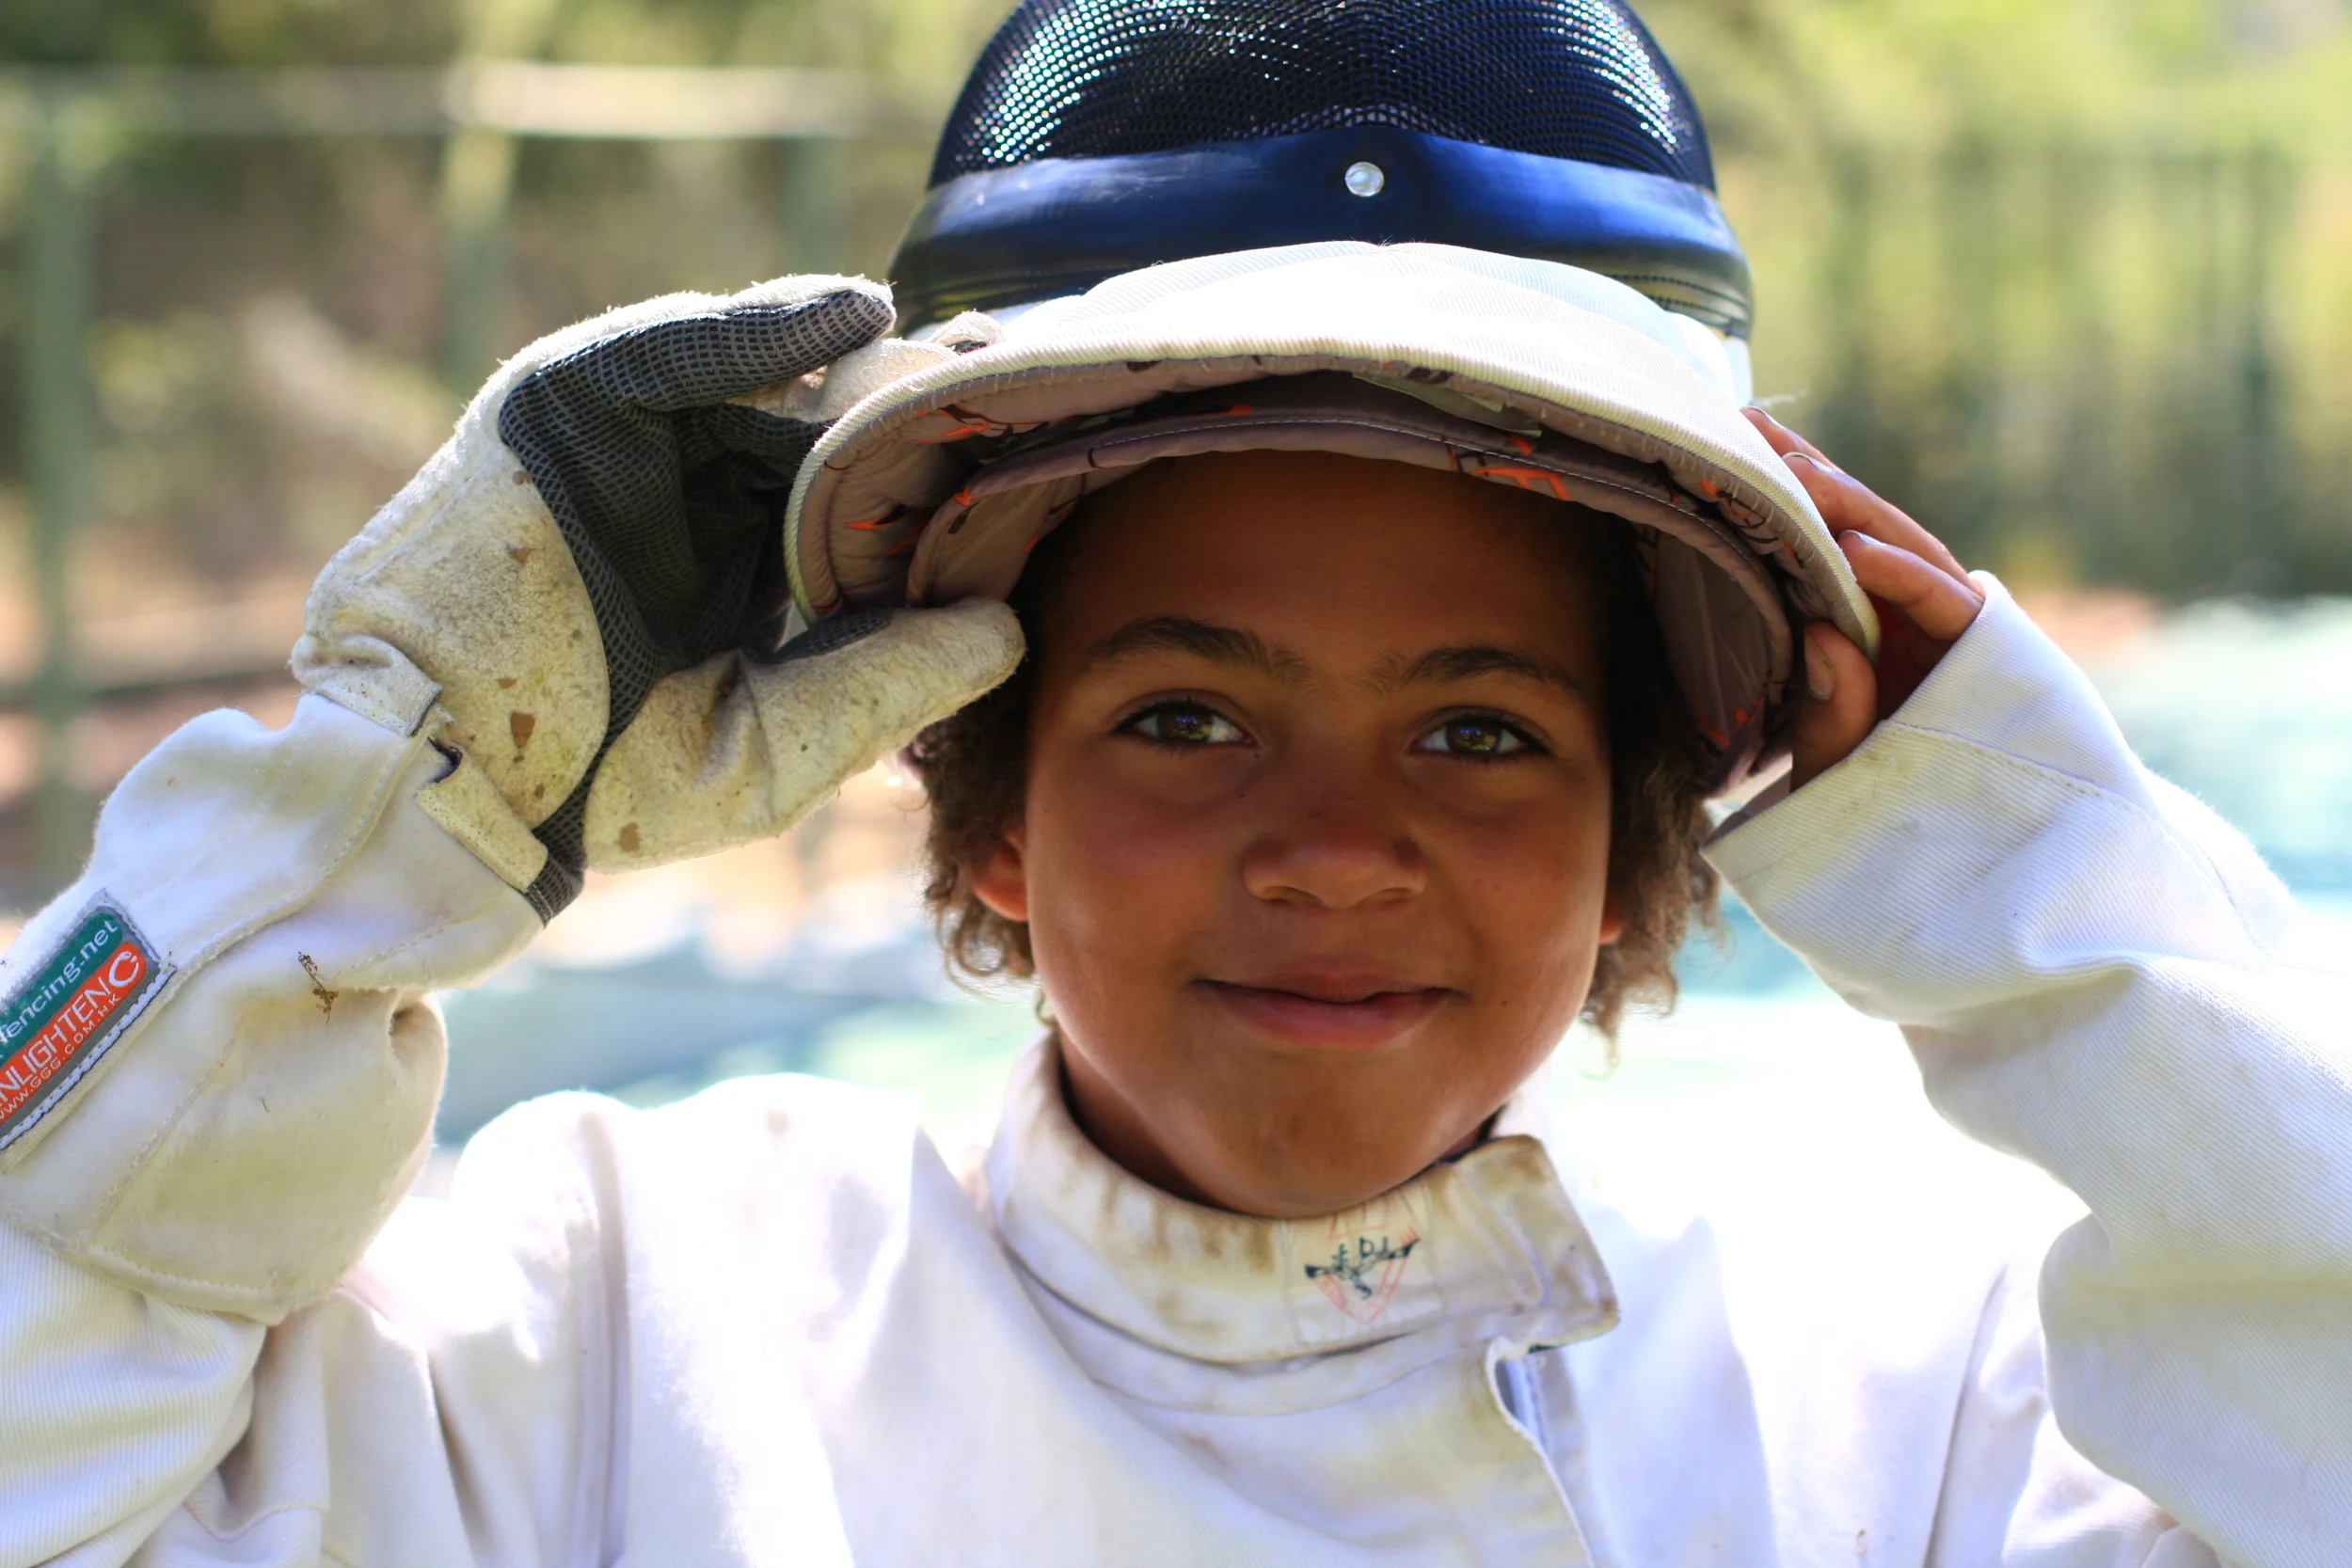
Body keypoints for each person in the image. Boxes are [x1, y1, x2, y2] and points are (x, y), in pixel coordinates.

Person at [2, 3, 2346, 1564]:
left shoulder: (1907, 1389)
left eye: (1479, 731)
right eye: (1185, 718)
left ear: (1649, 828)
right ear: (981, 793)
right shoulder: (609, 1309)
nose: (1333, 845)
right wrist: (366, 819)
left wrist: (2037, 867)